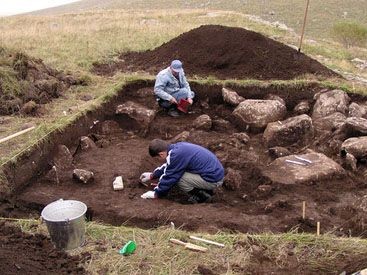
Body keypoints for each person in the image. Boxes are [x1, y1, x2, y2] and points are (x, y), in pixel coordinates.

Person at [140, 139, 224, 203]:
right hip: (214, 173)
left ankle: (202, 196)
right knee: (178, 173)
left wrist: (156, 193)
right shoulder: (178, 148)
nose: (160, 159)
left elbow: (170, 176)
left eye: (158, 157)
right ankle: (205, 189)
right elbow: (169, 166)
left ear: (161, 154)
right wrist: (153, 175)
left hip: (213, 180)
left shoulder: (176, 155)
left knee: (179, 178)